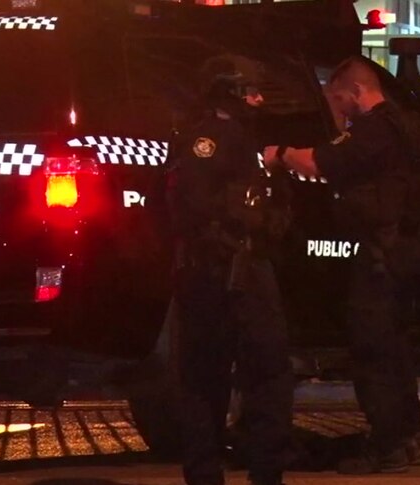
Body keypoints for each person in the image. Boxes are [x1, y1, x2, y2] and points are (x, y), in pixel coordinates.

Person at [262, 56, 420, 475]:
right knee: (396, 351)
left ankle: (388, 446)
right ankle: (405, 439)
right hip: (403, 253)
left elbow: (320, 162)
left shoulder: (374, 131)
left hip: (379, 256)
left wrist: (279, 153)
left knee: (373, 352)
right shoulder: (405, 127)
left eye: (339, 99)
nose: (337, 108)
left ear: (357, 91)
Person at [165, 54, 293, 485]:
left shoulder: (238, 137)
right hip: (220, 271)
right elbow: (199, 209)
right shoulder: (209, 140)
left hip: (244, 267)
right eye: (250, 91)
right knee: (213, 377)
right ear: (231, 93)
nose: (259, 99)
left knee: (263, 372)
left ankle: (262, 469)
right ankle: (214, 473)